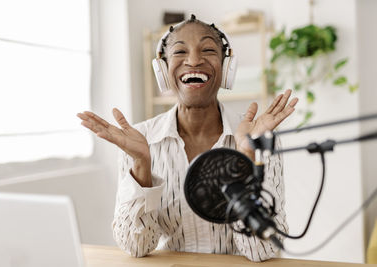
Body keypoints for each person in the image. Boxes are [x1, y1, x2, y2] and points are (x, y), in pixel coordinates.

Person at [77, 15, 298, 262]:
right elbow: (135, 246)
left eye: (207, 50)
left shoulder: (258, 140)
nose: (194, 60)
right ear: (162, 70)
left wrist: (246, 155)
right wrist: (141, 164)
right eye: (180, 51)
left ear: (227, 68)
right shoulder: (140, 140)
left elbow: (262, 250)